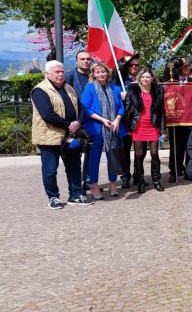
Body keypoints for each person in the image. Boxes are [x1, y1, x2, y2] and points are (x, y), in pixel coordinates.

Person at [32, 60, 93, 209]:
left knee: (74, 167)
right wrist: (69, 124)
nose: (60, 74)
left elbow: (81, 109)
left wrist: (78, 122)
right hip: (49, 137)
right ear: (47, 74)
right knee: (50, 170)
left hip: (70, 136)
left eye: (62, 71)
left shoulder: (69, 88)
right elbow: (47, 115)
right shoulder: (40, 90)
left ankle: (75, 195)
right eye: (56, 72)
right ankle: (53, 197)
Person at [80, 62, 127, 200]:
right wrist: (102, 120)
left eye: (103, 72)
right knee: (94, 159)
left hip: (113, 127)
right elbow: (85, 107)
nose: (100, 74)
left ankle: (113, 184)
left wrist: (117, 120)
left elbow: (121, 107)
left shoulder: (115, 88)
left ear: (108, 73)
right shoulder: (89, 88)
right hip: (96, 128)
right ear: (93, 74)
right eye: (97, 72)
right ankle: (94, 185)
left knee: (112, 157)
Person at [125, 68, 166, 194]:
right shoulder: (133, 91)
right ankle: (140, 181)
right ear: (139, 78)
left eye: (147, 77)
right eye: (142, 77)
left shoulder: (158, 90)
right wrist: (128, 127)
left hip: (153, 125)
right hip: (138, 126)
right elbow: (127, 110)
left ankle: (156, 180)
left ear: (152, 78)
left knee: (154, 153)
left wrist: (163, 129)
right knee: (139, 155)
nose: (145, 79)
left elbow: (162, 111)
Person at [65, 50, 93, 193]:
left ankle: (87, 181)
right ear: (77, 61)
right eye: (82, 59)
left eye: (88, 59)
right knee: (76, 154)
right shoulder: (69, 76)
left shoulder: (94, 75)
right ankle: (75, 185)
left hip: (93, 120)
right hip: (76, 121)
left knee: (90, 153)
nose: (86, 61)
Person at [116, 55, 140, 189]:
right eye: (131, 65)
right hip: (125, 121)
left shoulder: (143, 80)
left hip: (140, 122)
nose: (134, 67)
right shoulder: (120, 81)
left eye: (137, 65)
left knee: (139, 151)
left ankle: (138, 175)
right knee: (124, 151)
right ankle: (125, 176)